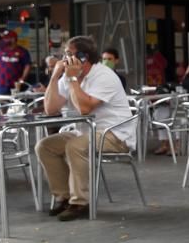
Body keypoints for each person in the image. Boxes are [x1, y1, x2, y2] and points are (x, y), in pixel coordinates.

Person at [37, 35, 135, 221]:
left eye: (68, 55)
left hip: (114, 133)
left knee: (75, 146)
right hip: (84, 131)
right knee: (45, 146)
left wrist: (72, 78)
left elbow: (84, 108)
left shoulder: (104, 75)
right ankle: (64, 196)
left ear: (83, 57)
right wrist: (55, 76)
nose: (64, 59)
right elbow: (50, 109)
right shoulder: (68, 76)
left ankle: (80, 202)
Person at [0, 30, 32, 95]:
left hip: (16, 84)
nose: (4, 40)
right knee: (2, 102)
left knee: (16, 103)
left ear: (13, 39)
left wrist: (23, 78)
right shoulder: (0, 50)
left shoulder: (22, 51)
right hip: (2, 83)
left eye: (6, 38)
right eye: (4, 38)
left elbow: (27, 65)